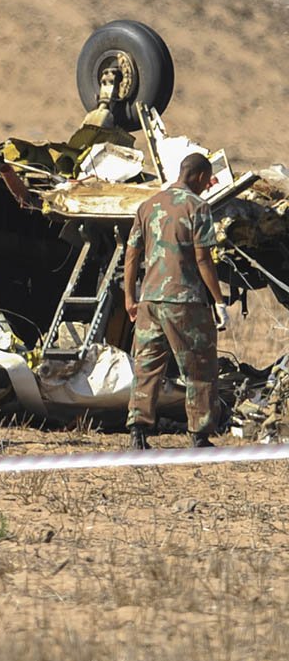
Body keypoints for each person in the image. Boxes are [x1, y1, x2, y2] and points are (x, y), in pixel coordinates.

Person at [124, 152, 229, 450]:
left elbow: (131, 253)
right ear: (199, 176)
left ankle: (138, 431)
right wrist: (219, 301)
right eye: (207, 180)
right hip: (184, 301)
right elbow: (203, 258)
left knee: (146, 366)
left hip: (149, 301)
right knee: (199, 367)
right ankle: (200, 435)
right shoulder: (198, 207)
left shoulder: (148, 205)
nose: (207, 186)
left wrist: (130, 297)